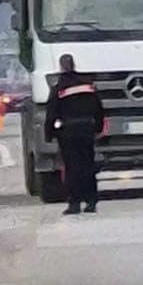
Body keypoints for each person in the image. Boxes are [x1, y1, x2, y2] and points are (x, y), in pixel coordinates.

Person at [44, 54, 105, 216]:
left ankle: (75, 203)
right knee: (88, 166)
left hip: (68, 132)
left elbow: (52, 112)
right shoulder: (88, 84)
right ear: (74, 64)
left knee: (72, 168)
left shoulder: (59, 87)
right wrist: (98, 128)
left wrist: (49, 134)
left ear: (61, 66)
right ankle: (91, 201)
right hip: (86, 130)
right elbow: (98, 108)